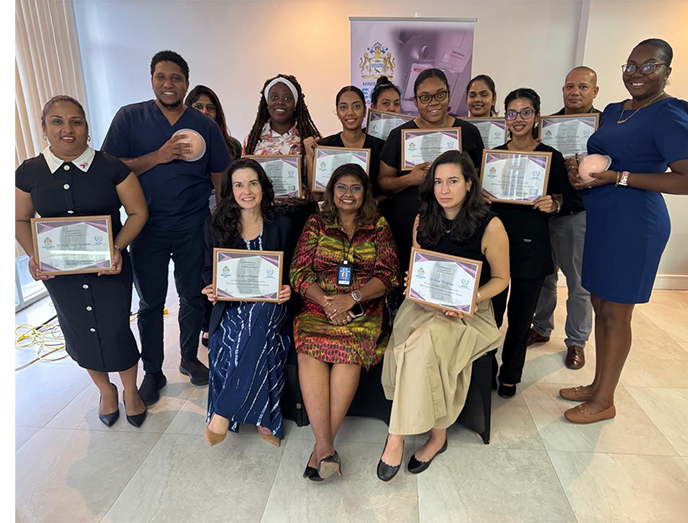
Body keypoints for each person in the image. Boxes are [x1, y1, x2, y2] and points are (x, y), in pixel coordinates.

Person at [560, 39, 688, 424]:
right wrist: (583, 172)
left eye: (648, 67)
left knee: (617, 314)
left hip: (636, 224)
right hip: (603, 218)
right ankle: (597, 384)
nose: (636, 74)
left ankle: (604, 400)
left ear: (666, 72)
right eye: (630, 66)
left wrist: (616, 177)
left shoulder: (669, 113)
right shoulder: (613, 110)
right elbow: (608, 158)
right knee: (599, 305)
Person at [102, 50, 232, 406]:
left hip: (193, 225)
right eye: (161, 77)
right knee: (150, 303)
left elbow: (221, 173)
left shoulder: (203, 124)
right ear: (152, 80)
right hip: (146, 227)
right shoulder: (130, 118)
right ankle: (154, 371)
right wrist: (156, 157)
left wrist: (222, 217)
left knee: (191, 297)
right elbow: (112, 168)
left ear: (186, 83)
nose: (168, 84)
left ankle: (189, 358)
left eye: (175, 78)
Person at [15, 96, 149, 427]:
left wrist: (116, 248)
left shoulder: (111, 166)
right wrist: (35, 255)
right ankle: (105, 391)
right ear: (44, 127)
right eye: (57, 121)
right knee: (78, 330)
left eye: (76, 121)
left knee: (116, 329)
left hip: (111, 267)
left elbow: (137, 213)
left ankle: (130, 390)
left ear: (87, 128)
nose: (67, 129)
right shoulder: (29, 172)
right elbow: (20, 219)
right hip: (62, 276)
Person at [377, 151, 509, 481]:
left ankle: (399, 436)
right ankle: (439, 434)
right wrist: (413, 282)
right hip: (424, 304)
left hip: (471, 311)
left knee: (423, 343)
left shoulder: (491, 225)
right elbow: (419, 267)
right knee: (407, 343)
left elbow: (502, 280)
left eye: (452, 181)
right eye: (438, 181)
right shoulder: (423, 219)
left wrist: (471, 297)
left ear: (469, 184)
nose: (444, 189)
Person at [290, 164, 399, 481]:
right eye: (341, 187)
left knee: (349, 350)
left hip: (363, 306)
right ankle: (325, 449)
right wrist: (327, 302)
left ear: (365, 193)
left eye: (355, 188)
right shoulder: (316, 223)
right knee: (309, 348)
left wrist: (351, 299)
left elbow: (388, 274)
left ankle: (320, 449)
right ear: (331, 191)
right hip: (318, 304)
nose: (348, 194)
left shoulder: (378, 226)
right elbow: (299, 272)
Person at [200, 159, 292, 447]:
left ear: (263, 187)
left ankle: (223, 412)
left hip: (273, 304)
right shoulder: (216, 225)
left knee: (261, 314)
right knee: (230, 341)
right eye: (238, 185)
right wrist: (212, 289)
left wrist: (288, 288)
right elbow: (207, 269)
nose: (246, 190)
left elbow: (292, 270)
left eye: (253, 183)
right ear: (230, 191)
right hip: (232, 304)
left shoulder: (282, 224)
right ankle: (266, 418)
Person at [490, 88, 567, 399]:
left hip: (531, 249)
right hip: (494, 248)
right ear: (505, 118)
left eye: (525, 112)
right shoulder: (493, 156)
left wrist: (554, 203)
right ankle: (484, 370)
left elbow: (566, 198)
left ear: (536, 116)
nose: (518, 119)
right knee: (490, 317)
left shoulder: (552, 157)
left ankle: (510, 374)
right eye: (512, 113)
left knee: (520, 319)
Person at [527, 66, 602, 370]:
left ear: (595, 91)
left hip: (578, 213)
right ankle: (542, 328)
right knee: (544, 277)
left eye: (583, 87)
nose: (575, 92)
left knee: (578, 283)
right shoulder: (548, 127)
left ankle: (576, 342)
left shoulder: (602, 128)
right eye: (570, 86)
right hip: (544, 212)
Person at [379, 68, 485, 277]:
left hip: (457, 227)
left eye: (440, 94)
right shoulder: (399, 135)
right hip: (408, 224)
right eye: (425, 98)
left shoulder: (469, 133)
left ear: (448, 95)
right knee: (408, 283)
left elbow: (477, 180)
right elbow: (382, 182)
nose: (433, 102)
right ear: (416, 101)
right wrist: (410, 179)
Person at [242, 73, 321, 265]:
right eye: (274, 97)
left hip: (301, 215)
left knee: (299, 271)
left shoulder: (310, 137)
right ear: (266, 102)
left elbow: (318, 191)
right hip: (266, 217)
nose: (280, 102)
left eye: (287, 98)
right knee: (271, 270)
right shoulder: (253, 139)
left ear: (296, 103)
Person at [185, 84, 242, 350]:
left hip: (224, 214)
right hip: (194, 215)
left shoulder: (233, 145)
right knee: (200, 271)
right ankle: (204, 326)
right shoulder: (181, 143)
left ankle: (215, 321)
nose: (205, 112)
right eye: (198, 107)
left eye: (211, 107)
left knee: (221, 266)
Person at [304, 86, 386, 202]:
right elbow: (317, 196)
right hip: (334, 216)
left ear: (364, 110)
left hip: (370, 215)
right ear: (337, 112)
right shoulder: (325, 146)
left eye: (356, 106)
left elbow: (386, 193)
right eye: (343, 107)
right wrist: (309, 157)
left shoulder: (380, 147)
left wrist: (373, 204)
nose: (350, 112)